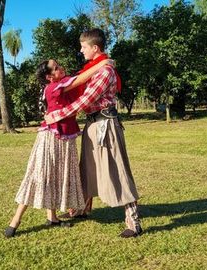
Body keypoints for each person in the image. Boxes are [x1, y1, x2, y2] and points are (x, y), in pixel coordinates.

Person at [44, 28, 142, 238]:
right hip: (92, 124)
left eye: (84, 47)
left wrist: (58, 115)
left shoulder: (105, 72)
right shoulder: (94, 69)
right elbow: (72, 84)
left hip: (105, 125)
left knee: (116, 169)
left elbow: (85, 100)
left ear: (95, 48)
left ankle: (133, 221)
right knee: (87, 168)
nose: (81, 50)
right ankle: (82, 207)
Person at [4, 57, 114, 238]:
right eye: (55, 68)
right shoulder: (54, 87)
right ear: (49, 77)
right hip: (51, 137)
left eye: (58, 65)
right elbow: (81, 79)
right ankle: (15, 220)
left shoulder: (62, 83)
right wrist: (104, 63)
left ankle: (52, 217)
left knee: (55, 175)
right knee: (39, 175)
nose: (60, 68)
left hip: (64, 137)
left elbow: (79, 80)